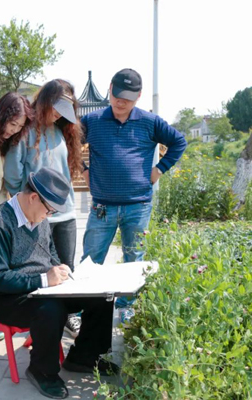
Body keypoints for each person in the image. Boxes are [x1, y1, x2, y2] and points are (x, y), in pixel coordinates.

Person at [0, 167, 118, 400]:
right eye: (50, 210)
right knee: (51, 310)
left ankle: (84, 356)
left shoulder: (38, 215)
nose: (50, 215)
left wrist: (61, 269)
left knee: (102, 295)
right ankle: (42, 370)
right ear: (34, 198)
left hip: (44, 289)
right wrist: (44, 279)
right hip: (9, 299)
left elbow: (50, 254)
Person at [81, 68, 187, 323]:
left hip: (138, 206)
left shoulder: (150, 122)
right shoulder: (92, 121)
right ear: (109, 89)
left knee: (133, 258)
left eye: (127, 97)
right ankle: (83, 306)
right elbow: (69, 143)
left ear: (138, 96)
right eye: (117, 95)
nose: (121, 101)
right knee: (90, 259)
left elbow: (179, 142)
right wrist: (82, 170)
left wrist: (159, 170)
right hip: (102, 206)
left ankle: (126, 307)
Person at [4, 79, 83, 338]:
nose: (60, 114)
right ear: (46, 100)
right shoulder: (25, 133)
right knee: (41, 272)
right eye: (58, 108)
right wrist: (29, 206)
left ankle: (66, 318)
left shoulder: (62, 132)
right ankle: (44, 323)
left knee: (66, 268)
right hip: (38, 216)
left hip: (67, 214)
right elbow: (13, 177)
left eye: (65, 111)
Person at [0, 92, 34, 210]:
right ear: (2, 116)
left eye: (20, 126)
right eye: (13, 123)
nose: (15, 130)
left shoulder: (8, 139)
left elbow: (2, 182)